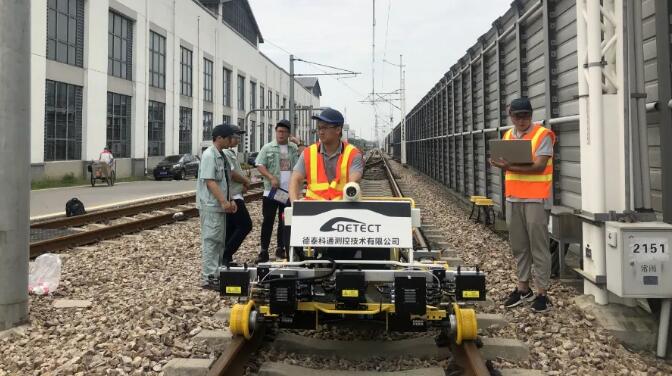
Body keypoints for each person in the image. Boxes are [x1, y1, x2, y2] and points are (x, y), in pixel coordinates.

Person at [489, 97, 556, 313]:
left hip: (536, 198)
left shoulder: (543, 135)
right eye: (518, 116)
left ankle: (542, 293)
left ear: (531, 114)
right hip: (513, 198)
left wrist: (509, 167)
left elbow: (539, 167)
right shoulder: (507, 136)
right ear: (511, 116)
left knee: (539, 247)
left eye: (526, 115)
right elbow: (509, 166)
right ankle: (523, 288)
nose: (522, 119)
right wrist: (500, 164)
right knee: (519, 246)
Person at [289, 107, 363, 203]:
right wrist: (294, 208)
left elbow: (354, 180)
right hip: (314, 212)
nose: (320, 132)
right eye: (319, 128)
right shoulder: (308, 153)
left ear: (338, 130)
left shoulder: (353, 154)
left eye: (324, 128)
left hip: (342, 209)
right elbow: (295, 180)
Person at [196, 123, 238, 289]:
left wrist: (231, 199)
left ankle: (216, 274)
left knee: (219, 242)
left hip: (219, 206)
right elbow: (210, 181)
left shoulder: (222, 155)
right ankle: (209, 278)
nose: (231, 141)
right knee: (211, 241)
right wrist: (223, 201)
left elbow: (226, 181)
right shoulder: (209, 155)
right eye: (229, 137)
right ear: (219, 138)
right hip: (211, 206)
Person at [255, 119, 301, 262]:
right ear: (276, 132)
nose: (281, 134)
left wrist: (298, 143)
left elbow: (304, 158)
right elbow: (259, 164)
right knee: (268, 220)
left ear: (289, 134)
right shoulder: (268, 148)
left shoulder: (293, 148)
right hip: (272, 191)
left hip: (288, 192)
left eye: (284, 132)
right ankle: (263, 251)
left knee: (284, 221)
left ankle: (281, 248)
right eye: (279, 131)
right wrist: (270, 177)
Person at [222, 126, 253, 265]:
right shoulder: (226, 153)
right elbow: (232, 174)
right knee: (245, 225)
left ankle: (226, 258)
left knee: (232, 227)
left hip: (235, 193)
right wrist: (246, 181)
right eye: (236, 136)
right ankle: (226, 254)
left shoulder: (230, 152)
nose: (238, 139)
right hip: (233, 196)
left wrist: (243, 185)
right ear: (229, 137)